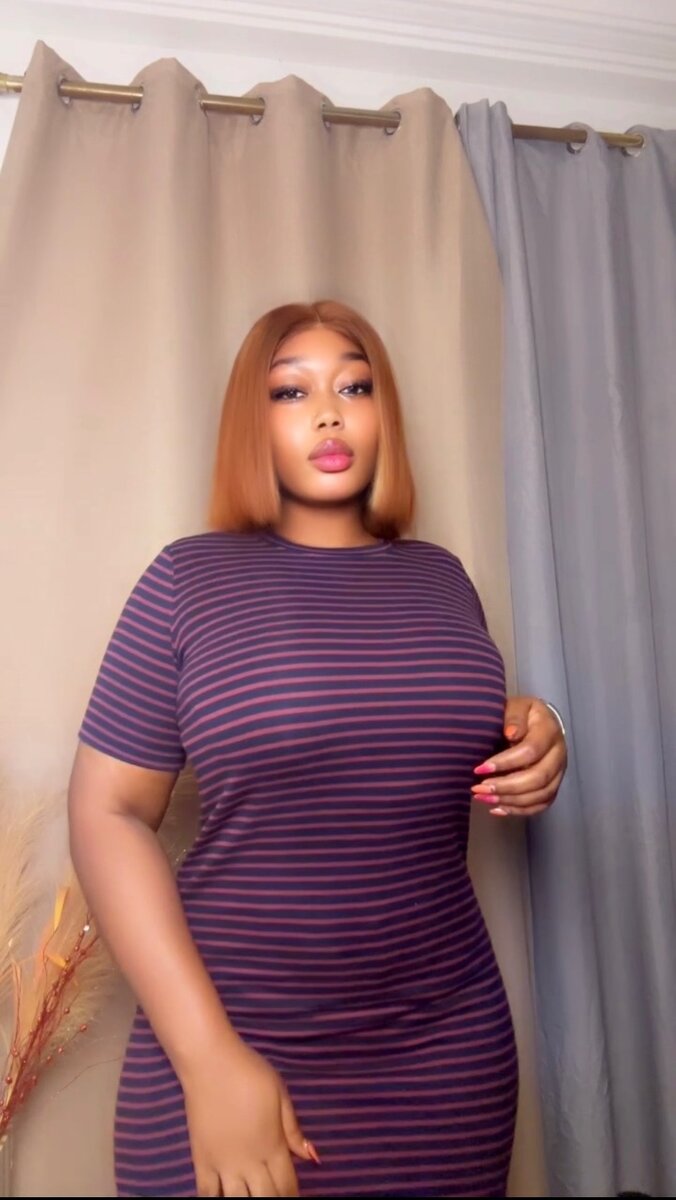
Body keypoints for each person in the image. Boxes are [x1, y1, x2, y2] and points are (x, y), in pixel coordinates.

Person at [68, 300, 567, 1199]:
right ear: (251, 423)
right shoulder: (187, 579)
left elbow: (423, 727)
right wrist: (210, 1060)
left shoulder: (442, 577)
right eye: (292, 392)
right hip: (230, 1038)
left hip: (445, 1050)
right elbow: (108, 813)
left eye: (355, 387)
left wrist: (536, 730)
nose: (330, 414)